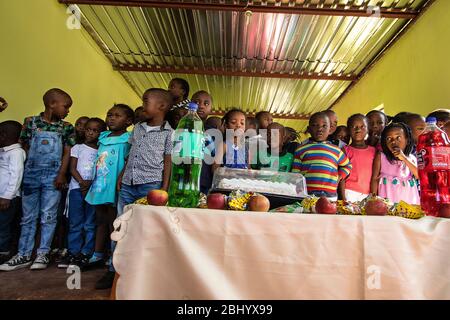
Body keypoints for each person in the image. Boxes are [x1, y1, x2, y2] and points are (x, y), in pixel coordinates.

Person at [0, 88, 75, 271]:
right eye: (66, 106)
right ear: (52, 104)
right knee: (27, 217)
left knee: (48, 216)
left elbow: (67, 152)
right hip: (31, 176)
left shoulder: (66, 127)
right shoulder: (30, 123)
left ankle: (42, 253)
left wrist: (61, 174)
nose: (68, 111)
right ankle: (24, 254)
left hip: (53, 177)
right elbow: (24, 146)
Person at [84, 104, 133, 286]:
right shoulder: (103, 136)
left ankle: (112, 260)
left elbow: (128, 160)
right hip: (100, 184)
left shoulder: (129, 138)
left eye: (117, 115)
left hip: (115, 185)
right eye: (109, 115)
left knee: (115, 223)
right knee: (100, 220)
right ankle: (97, 254)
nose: (111, 118)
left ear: (128, 121)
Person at [57, 118, 107, 269]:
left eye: (95, 130)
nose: (90, 133)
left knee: (90, 223)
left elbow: (102, 169)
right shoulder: (77, 147)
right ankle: (73, 252)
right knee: (75, 222)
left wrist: (90, 183)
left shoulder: (101, 150)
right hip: (76, 189)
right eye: (88, 129)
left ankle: (86, 252)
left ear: (102, 133)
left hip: (93, 190)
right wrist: (82, 182)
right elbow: (72, 168)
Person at [292, 112, 352, 200]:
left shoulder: (336, 150)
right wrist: (299, 192)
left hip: (330, 195)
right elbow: (295, 174)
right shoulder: (301, 150)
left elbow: (347, 165)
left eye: (324, 126)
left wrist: (339, 177)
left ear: (330, 129)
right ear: (309, 129)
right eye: (315, 125)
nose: (320, 129)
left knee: (328, 212)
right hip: (307, 193)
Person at [370, 122, 420, 205]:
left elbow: (419, 175)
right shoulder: (381, 157)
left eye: (398, 138)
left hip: (410, 203)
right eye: (389, 139)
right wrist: (373, 199)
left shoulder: (411, 158)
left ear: (407, 140)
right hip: (387, 204)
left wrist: (404, 158)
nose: (393, 141)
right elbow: (374, 179)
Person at [0, 121, 26, 265]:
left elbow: (17, 175)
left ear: (3, 136)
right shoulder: (3, 151)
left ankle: (3, 253)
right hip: (2, 196)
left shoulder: (16, 153)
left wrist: (7, 196)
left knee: (4, 226)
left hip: (8, 198)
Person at [338, 114, 376, 202]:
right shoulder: (345, 150)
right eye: (354, 127)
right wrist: (343, 198)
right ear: (348, 130)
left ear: (368, 129)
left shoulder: (374, 151)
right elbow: (342, 176)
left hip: (368, 194)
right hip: (349, 192)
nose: (358, 130)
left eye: (362, 127)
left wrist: (374, 195)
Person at [190, 91, 216, 194]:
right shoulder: (183, 126)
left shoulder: (213, 132)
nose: (201, 106)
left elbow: (214, 157)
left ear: (211, 109)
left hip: (204, 181)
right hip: (183, 177)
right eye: (197, 102)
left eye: (206, 103)